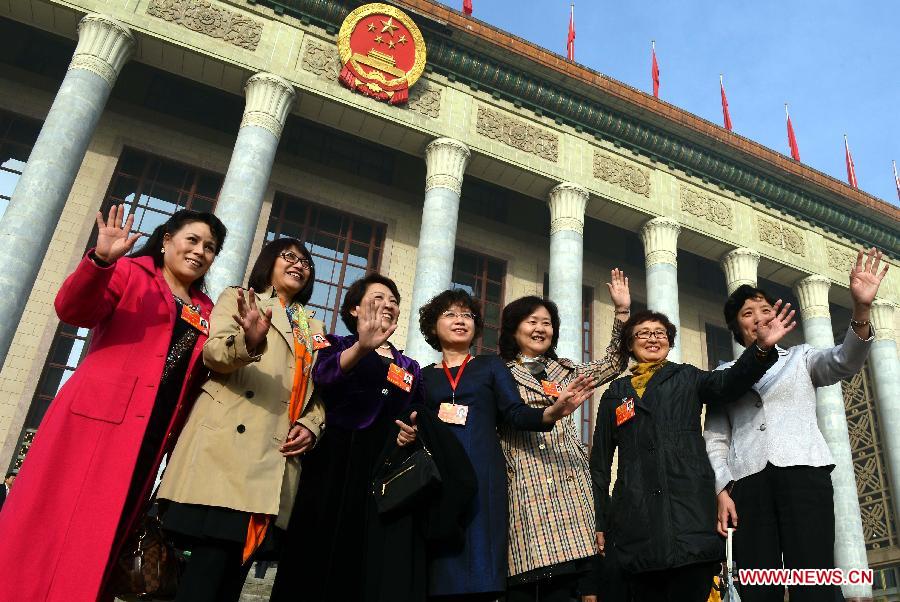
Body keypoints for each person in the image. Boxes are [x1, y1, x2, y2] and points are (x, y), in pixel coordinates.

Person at [0, 206, 226, 601]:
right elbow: (73, 310)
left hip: (150, 433)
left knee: (107, 530)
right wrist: (100, 261)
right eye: (192, 239)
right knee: (51, 518)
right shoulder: (130, 271)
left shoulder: (206, 310)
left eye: (210, 247)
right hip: (93, 421)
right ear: (168, 238)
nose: (200, 251)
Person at [704, 248, 888, 602]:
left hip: (804, 473)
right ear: (737, 328)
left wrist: (861, 309)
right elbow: (715, 439)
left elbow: (844, 361)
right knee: (758, 582)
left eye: (765, 309)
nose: (758, 317)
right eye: (747, 313)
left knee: (814, 577)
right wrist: (721, 489)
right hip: (748, 483)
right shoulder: (722, 376)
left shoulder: (802, 358)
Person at [157, 238, 326, 602]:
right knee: (207, 571)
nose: (299, 265)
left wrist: (313, 425)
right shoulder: (239, 297)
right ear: (269, 261)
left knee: (233, 576)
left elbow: (319, 391)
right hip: (228, 452)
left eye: (306, 262)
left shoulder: (312, 325)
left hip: (276, 458)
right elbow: (214, 354)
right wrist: (249, 341)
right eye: (290, 257)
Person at [591, 305, 796, 602]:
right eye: (643, 333)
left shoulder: (687, 377)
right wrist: (600, 520)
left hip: (689, 521)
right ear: (629, 344)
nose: (652, 338)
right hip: (635, 526)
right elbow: (599, 465)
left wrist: (761, 349)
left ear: (670, 342)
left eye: (660, 333)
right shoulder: (615, 393)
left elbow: (728, 383)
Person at [411, 288, 595, 601]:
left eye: (467, 315)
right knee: (442, 569)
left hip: (485, 476)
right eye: (450, 315)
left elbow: (514, 412)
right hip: (439, 479)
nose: (460, 321)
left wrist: (549, 413)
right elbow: (412, 421)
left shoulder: (490, 366)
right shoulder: (422, 375)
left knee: (484, 566)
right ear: (432, 327)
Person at [271, 273, 424, 602]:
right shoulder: (336, 343)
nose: (387, 305)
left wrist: (413, 430)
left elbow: (416, 411)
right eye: (378, 298)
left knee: (361, 553)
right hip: (333, 454)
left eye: (393, 301)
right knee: (312, 542)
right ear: (355, 309)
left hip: (380, 464)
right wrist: (362, 347)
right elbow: (322, 377)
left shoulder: (409, 365)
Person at [497, 269, 632, 602]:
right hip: (526, 483)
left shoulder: (566, 370)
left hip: (569, 486)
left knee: (568, 586)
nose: (540, 328)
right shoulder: (497, 371)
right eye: (531, 321)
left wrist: (622, 312)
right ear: (514, 329)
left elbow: (613, 363)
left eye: (546, 322)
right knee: (528, 584)